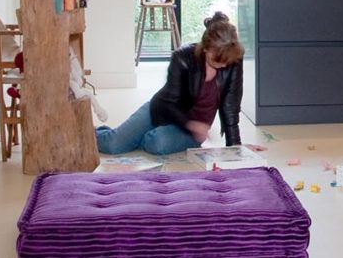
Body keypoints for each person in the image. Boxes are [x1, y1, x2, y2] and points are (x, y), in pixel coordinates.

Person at [96, 11, 244, 156]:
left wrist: (236, 148)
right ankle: (92, 132)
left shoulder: (232, 59)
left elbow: (230, 106)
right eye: (218, 59)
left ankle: (137, 138)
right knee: (113, 144)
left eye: (227, 61)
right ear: (205, 48)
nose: (224, 64)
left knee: (157, 142)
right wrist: (191, 124)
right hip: (161, 111)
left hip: (194, 131)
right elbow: (169, 102)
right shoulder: (182, 57)